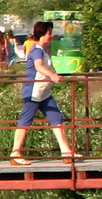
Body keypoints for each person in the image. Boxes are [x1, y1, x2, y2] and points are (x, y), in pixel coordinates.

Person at [9, 20, 76, 165]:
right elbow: (38, 67)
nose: (51, 36)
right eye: (49, 33)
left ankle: (66, 151)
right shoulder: (37, 49)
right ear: (43, 34)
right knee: (25, 120)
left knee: (56, 118)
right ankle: (15, 153)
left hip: (44, 92)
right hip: (34, 91)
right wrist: (52, 75)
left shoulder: (41, 49)